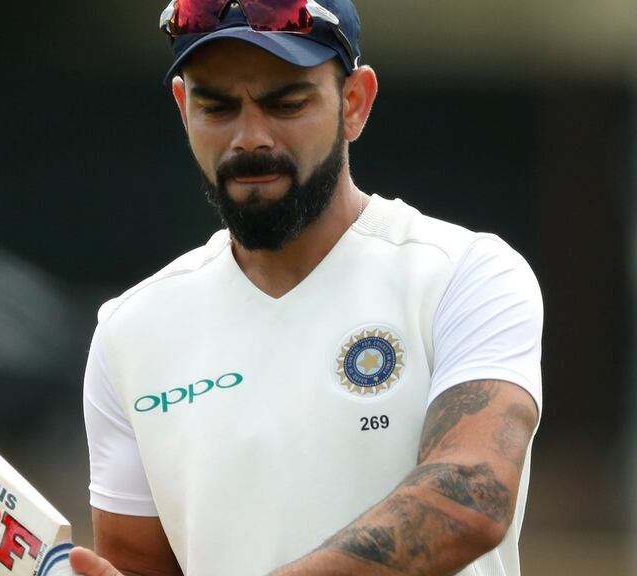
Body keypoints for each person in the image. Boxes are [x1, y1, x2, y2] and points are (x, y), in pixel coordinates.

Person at [68, 1, 542, 575]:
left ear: (355, 103)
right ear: (182, 108)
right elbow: (136, 565)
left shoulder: (464, 276)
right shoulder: (131, 332)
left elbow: (471, 494)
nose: (250, 138)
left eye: (286, 104)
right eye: (216, 107)